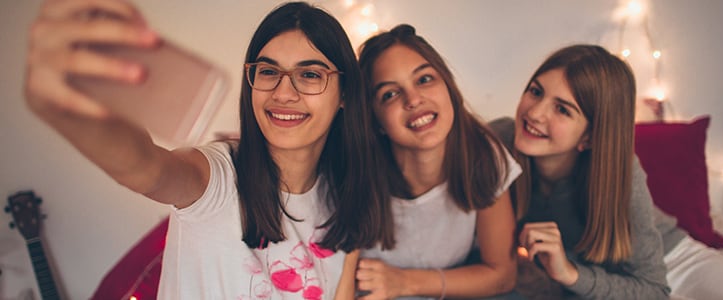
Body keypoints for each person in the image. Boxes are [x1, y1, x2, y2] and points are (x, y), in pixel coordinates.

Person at [24, 1, 388, 299]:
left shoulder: (346, 193)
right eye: (267, 71)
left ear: (345, 94)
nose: (283, 92)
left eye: (310, 74)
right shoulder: (219, 175)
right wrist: (71, 106)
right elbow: (147, 168)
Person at [490, 44, 723, 300]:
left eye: (562, 109)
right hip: (600, 278)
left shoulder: (621, 175)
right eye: (535, 91)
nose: (534, 112)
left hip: (670, 259)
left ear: (591, 137)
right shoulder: (499, 140)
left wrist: (570, 274)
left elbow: (653, 289)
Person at [355, 24, 521, 299]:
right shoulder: (354, 174)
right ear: (376, 121)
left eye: (424, 79)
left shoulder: (483, 152)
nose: (414, 99)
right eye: (390, 94)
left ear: (448, 87)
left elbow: (503, 275)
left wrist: (406, 282)